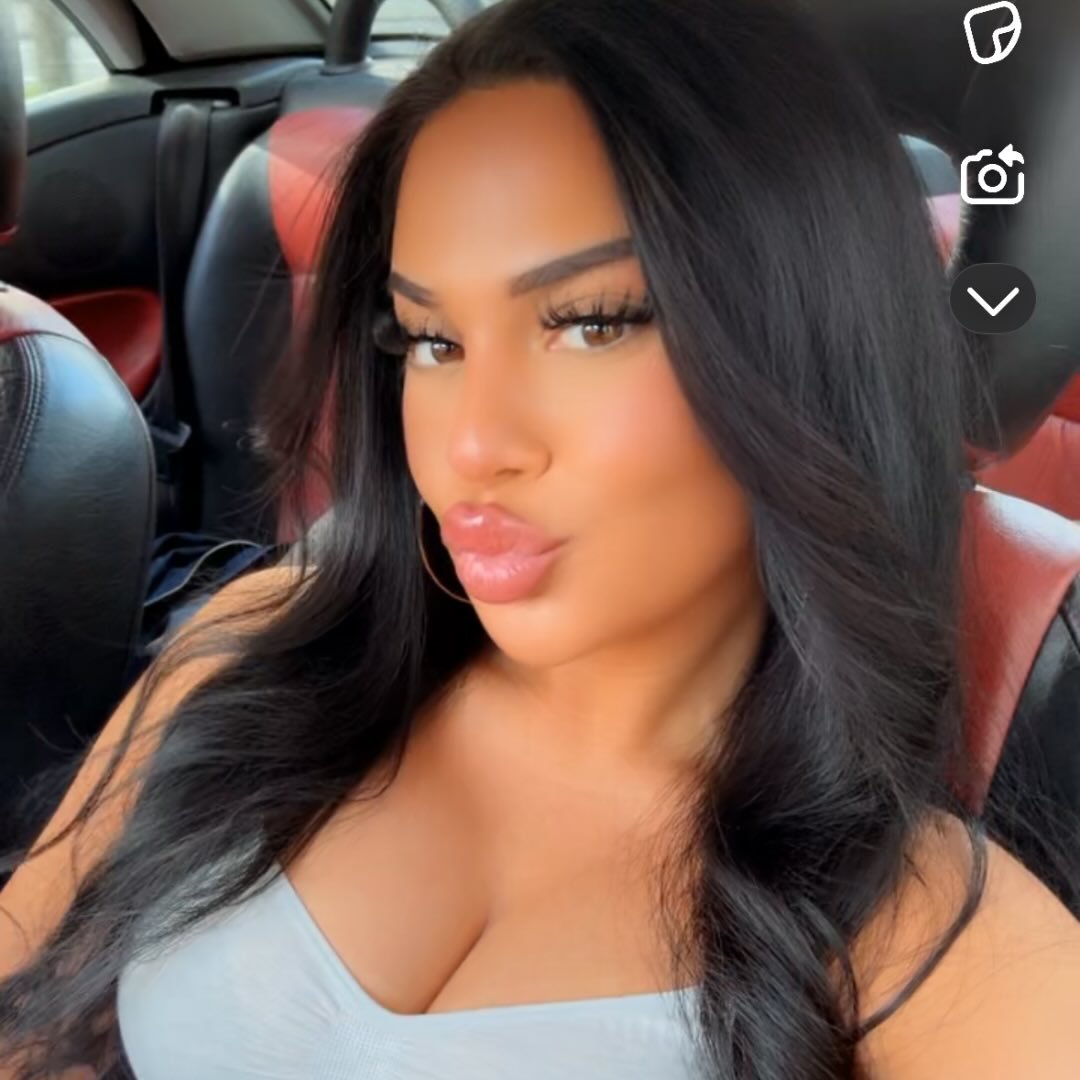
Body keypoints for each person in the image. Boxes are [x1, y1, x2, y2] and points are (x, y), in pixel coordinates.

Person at [1, 0, 1078, 1076]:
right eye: (430, 339)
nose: (470, 446)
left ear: (807, 347)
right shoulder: (251, 651)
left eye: (591, 322)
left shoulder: (952, 964)